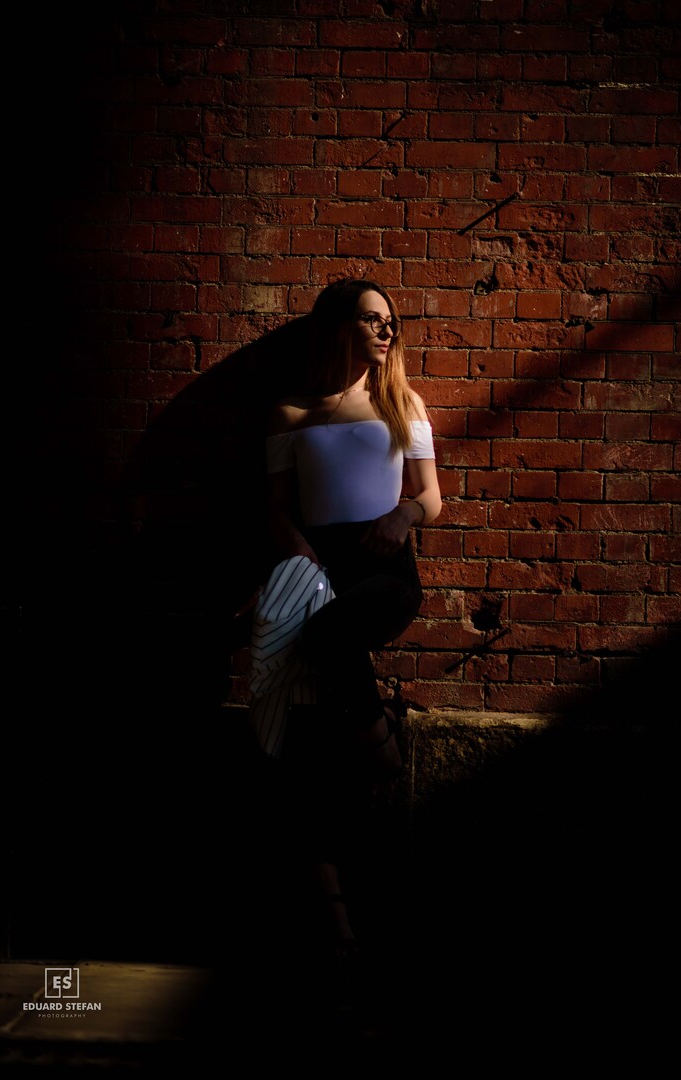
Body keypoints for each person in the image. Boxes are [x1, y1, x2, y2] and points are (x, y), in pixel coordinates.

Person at [261, 277, 442, 966]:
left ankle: (380, 737)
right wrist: (300, 551)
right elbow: (275, 509)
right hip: (318, 571)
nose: (386, 331)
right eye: (372, 320)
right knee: (311, 754)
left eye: (391, 322)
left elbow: (430, 498)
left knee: (328, 638)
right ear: (340, 326)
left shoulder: (403, 404)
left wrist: (400, 515)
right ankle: (338, 930)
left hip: (385, 573)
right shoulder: (290, 414)